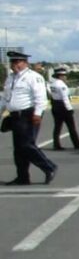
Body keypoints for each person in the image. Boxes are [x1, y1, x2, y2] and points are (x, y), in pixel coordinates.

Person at [1, 50, 57, 185]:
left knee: (26, 145)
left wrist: (38, 113)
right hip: (15, 116)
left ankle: (49, 167)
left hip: (28, 114)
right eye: (12, 62)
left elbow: (41, 97)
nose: (14, 64)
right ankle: (22, 177)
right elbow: (5, 99)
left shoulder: (34, 77)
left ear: (25, 63)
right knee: (18, 149)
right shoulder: (11, 78)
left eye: (17, 62)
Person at [48, 66, 79, 150]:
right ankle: (77, 144)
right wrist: (70, 109)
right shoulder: (62, 86)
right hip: (63, 107)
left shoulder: (52, 84)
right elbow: (65, 98)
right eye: (64, 76)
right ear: (60, 76)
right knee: (71, 127)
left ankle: (56, 144)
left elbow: (51, 95)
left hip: (55, 105)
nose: (65, 77)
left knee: (57, 127)